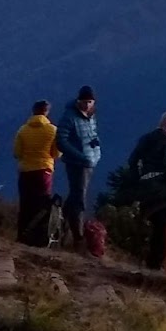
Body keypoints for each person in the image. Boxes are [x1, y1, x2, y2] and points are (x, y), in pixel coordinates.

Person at [128, 111, 166, 270]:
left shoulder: (145, 138)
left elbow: (132, 160)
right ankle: (156, 264)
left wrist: (138, 178)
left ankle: (138, 259)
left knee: (146, 225)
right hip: (162, 189)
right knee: (162, 229)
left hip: (145, 187)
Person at [55, 85, 101, 250]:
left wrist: (96, 150)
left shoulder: (91, 116)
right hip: (76, 163)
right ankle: (78, 239)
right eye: (85, 101)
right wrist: (80, 156)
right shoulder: (69, 117)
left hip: (89, 162)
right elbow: (60, 140)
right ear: (79, 101)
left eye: (90, 102)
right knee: (79, 199)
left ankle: (60, 228)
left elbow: (92, 135)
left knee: (75, 196)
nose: (88, 105)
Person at [13, 100, 60, 247]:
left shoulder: (23, 130)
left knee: (25, 204)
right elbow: (57, 153)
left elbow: (16, 153)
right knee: (42, 205)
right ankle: (39, 238)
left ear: (33, 111)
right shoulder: (53, 130)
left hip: (26, 171)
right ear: (47, 112)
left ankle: (22, 236)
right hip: (44, 172)